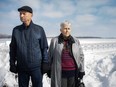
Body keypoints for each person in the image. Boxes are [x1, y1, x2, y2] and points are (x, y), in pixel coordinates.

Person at [9, 6, 49, 87]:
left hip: (36, 68)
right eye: (20, 14)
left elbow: (44, 47)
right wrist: (12, 63)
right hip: (22, 68)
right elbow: (13, 48)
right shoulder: (16, 30)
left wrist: (45, 63)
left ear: (31, 15)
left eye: (24, 13)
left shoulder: (39, 29)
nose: (21, 16)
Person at [48, 21, 85, 87]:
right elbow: (50, 56)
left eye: (68, 28)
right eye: (65, 28)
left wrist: (82, 70)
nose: (67, 30)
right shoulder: (54, 41)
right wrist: (48, 69)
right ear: (61, 30)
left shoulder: (76, 41)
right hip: (60, 73)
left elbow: (81, 56)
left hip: (73, 73)